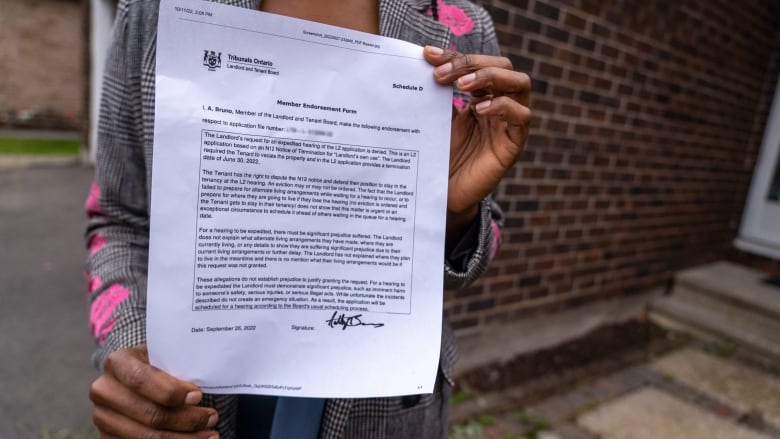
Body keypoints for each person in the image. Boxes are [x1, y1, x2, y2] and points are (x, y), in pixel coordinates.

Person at [84, 0, 531, 437]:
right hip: (201, 395)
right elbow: (120, 218)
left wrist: (453, 214)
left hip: (385, 408)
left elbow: (481, 242)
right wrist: (132, 351)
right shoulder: (154, 8)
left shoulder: (464, 28)